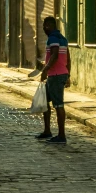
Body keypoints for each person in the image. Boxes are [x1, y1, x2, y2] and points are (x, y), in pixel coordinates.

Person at [36, 16, 71, 144]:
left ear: (49, 26)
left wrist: (45, 70)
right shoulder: (63, 39)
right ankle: (47, 131)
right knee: (45, 101)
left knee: (58, 105)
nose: (44, 29)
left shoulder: (53, 39)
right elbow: (68, 58)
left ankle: (61, 135)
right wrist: (68, 75)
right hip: (60, 74)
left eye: (45, 26)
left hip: (55, 76)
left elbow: (55, 55)